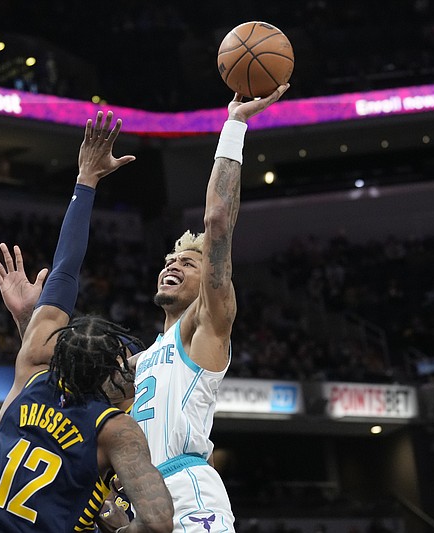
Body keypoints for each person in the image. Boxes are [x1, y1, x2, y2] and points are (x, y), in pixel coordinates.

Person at [0, 111, 173, 533]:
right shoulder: (115, 429)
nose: (131, 366)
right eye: (126, 361)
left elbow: (64, 272)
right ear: (110, 378)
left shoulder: (30, 375)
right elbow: (158, 523)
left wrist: (86, 180)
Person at [130, 84, 289, 531]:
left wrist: (234, 124)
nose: (172, 264)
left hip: (187, 489)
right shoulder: (143, 359)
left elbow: (218, 222)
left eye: (188, 260)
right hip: (141, 501)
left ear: (210, 282)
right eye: (169, 260)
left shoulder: (205, 327)